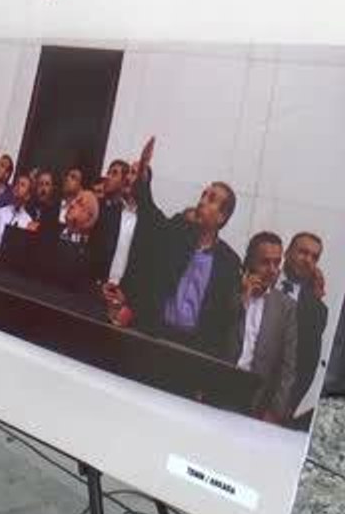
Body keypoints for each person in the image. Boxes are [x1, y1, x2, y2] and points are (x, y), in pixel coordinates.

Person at [103, 138, 242, 360]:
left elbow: (223, 319)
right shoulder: (179, 230)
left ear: (222, 216)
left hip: (193, 349)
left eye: (211, 199)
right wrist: (144, 178)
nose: (202, 201)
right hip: (157, 334)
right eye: (203, 195)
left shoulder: (230, 262)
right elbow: (150, 213)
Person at [231, 232, 298, 423]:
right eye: (265, 262)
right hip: (218, 386)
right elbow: (214, 334)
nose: (272, 269)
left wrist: (275, 411)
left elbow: (288, 368)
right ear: (250, 261)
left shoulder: (286, 307)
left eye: (277, 263)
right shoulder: (230, 288)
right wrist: (243, 298)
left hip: (255, 402)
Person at [279, 233, 330, 427]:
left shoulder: (317, 310)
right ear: (287, 252)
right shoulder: (264, 277)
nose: (308, 260)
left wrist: (291, 404)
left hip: (281, 401)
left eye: (314, 257)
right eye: (303, 252)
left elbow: (308, 363)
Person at [92, 159, 139, 284]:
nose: (107, 177)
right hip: (89, 279)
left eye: (114, 174)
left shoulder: (128, 215)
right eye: (108, 172)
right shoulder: (97, 206)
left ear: (124, 181)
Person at [0, 174, 33, 259]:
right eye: (17, 183)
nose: (17, 187)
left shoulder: (28, 221)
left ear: (28, 196)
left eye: (22, 185)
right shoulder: (1, 212)